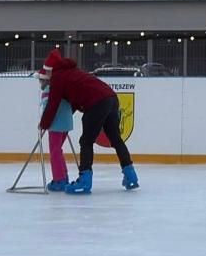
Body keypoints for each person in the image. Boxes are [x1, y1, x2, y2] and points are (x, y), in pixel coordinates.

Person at [38, 48, 139, 194]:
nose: (46, 74)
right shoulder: (71, 72)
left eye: (46, 71)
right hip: (111, 98)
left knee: (86, 141)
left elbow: (53, 105)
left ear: (51, 70)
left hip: (96, 103)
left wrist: (44, 124)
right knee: (116, 139)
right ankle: (131, 175)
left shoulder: (58, 78)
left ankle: (84, 181)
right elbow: (73, 100)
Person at [37, 56, 75, 192]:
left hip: (56, 124)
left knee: (54, 151)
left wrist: (43, 123)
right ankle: (63, 176)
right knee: (58, 150)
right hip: (64, 123)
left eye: (41, 80)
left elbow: (49, 107)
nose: (40, 83)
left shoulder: (49, 90)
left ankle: (59, 179)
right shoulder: (59, 87)